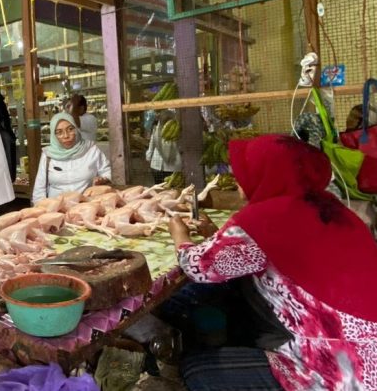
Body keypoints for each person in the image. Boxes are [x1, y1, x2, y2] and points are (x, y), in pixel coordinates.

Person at [168, 134, 377, 390]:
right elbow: (269, 254)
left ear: (268, 174)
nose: (238, 182)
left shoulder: (264, 218)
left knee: (197, 370)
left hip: (342, 370)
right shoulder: (330, 208)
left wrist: (180, 235)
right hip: (367, 353)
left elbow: (198, 268)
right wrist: (216, 234)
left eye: (243, 173)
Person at [31, 112, 111, 204]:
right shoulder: (48, 155)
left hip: (86, 207)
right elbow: (39, 190)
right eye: (59, 132)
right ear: (54, 135)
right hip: (57, 210)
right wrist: (42, 211)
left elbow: (108, 171)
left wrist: (103, 179)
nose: (66, 136)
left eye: (70, 129)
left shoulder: (91, 150)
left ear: (76, 129)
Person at [146, 110, 181, 184]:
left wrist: (148, 159)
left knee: (162, 188)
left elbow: (151, 147)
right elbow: (151, 146)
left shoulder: (176, 130)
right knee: (166, 188)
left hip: (164, 167)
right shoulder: (156, 130)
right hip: (161, 167)